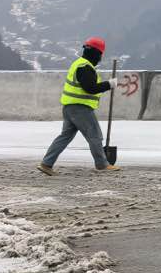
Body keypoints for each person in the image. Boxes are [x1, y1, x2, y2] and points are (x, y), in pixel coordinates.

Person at [37, 36, 119, 174]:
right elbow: (90, 88)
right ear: (97, 53)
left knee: (64, 137)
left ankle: (46, 163)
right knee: (95, 135)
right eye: (100, 54)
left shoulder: (78, 64)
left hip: (69, 108)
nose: (100, 57)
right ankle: (102, 164)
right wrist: (109, 84)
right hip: (80, 109)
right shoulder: (85, 67)